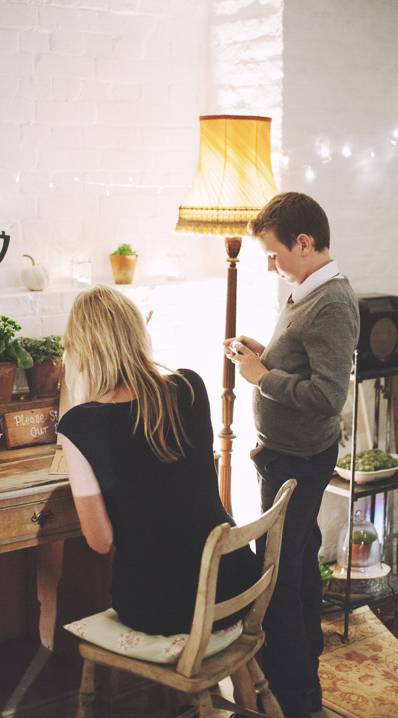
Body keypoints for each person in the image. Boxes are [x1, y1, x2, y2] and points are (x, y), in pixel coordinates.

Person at [57, 284, 262, 709]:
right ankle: (241, 695)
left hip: (162, 606)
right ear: (137, 334)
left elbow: (101, 542)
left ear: (80, 350)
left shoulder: (80, 425)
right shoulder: (190, 386)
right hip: (235, 579)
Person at [225, 191, 359, 718]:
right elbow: (303, 366)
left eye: (275, 253)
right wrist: (266, 355)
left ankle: (293, 698)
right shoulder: (308, 290)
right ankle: (306, 691)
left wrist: (263, 377)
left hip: (299, 462)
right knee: (298, 570)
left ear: (304, 243)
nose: (271, 264)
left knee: (277, 582)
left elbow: (329, 396)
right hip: (285, 455)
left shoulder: (331, 302)